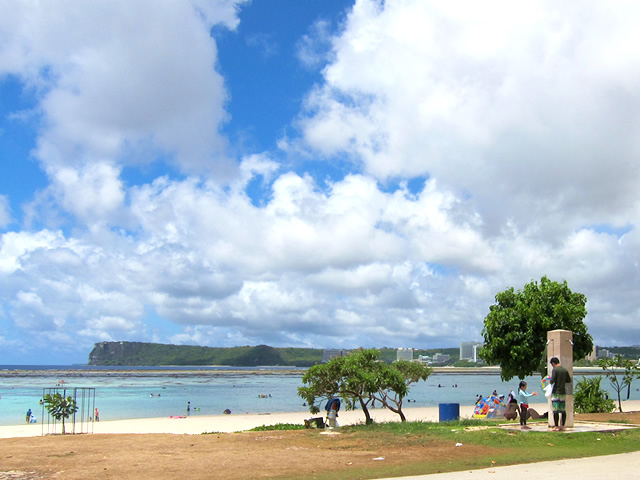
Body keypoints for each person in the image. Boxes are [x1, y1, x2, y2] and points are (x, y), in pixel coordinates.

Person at [550, 356, 572, 431]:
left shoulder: (555, 370)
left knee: (555, 410)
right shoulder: (564, 370)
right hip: (563, 392)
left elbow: (552, 380)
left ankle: (556, 426)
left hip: (556, 392)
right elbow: (568, 380)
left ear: (553, 363)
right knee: (563, 410)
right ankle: (562, 425)